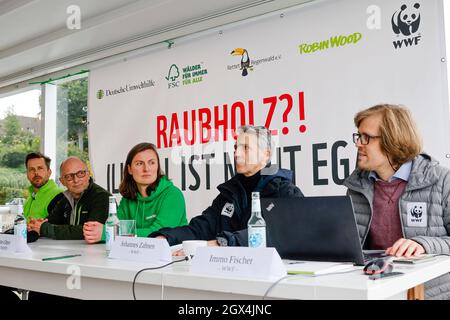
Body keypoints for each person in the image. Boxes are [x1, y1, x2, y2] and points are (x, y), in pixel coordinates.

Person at [343, 104, 450, 300]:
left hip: (430, 294)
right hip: (375, 292)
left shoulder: (442, 180)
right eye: (358, 136)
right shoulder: (356, 186)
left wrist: (424, 244)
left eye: (366, 137)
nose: (358, 143)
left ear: (393, 140)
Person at [150, 125, 304, 247]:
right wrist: (166, 238)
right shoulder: (228, 194)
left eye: (245, 148)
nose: (236, 154)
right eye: (236, 148)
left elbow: (282, 234)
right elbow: (200, 229)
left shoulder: (285, 192)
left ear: (266, 154)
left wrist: (224, 242)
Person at [83, 143, 187, 242]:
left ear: (158, 166)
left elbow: (160, 233)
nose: (146, 169)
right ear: (130, 169)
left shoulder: (173, 194)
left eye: (152, 162)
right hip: (135, 255)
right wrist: (93, 231)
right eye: (139, 163)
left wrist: (106, 232)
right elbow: (116, 226)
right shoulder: (128, 199)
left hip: (173, 257)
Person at [28, 156, 110, 240]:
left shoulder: (102, 197)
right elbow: (50, 221)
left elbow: (90, 231)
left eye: (81, 173)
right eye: (69, 176)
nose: (76, 180)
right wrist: (35, 226)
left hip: (97, 252)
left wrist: (45, 228)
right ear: (62, 181)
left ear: (89, 174)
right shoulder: (64, 199)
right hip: (70, 251)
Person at [23, 152, 64, 221]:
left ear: (49, 172)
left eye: (40, 168)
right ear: (27, 174)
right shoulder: (29, 200)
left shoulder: (59, 195)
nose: (36, 173)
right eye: (31, 169)